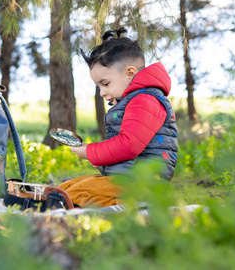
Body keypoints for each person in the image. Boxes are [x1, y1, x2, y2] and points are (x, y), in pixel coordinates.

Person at [58, 28, 178, 207]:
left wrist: (91, 152)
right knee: (68, 186)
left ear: (130, 73)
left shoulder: (145, 100)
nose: (102, 92)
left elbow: (128, 145)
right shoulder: (133, 100)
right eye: (99, 87)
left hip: (142, 184)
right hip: (128, 178)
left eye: (105, 84)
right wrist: (102, 160)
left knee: (77, 193)